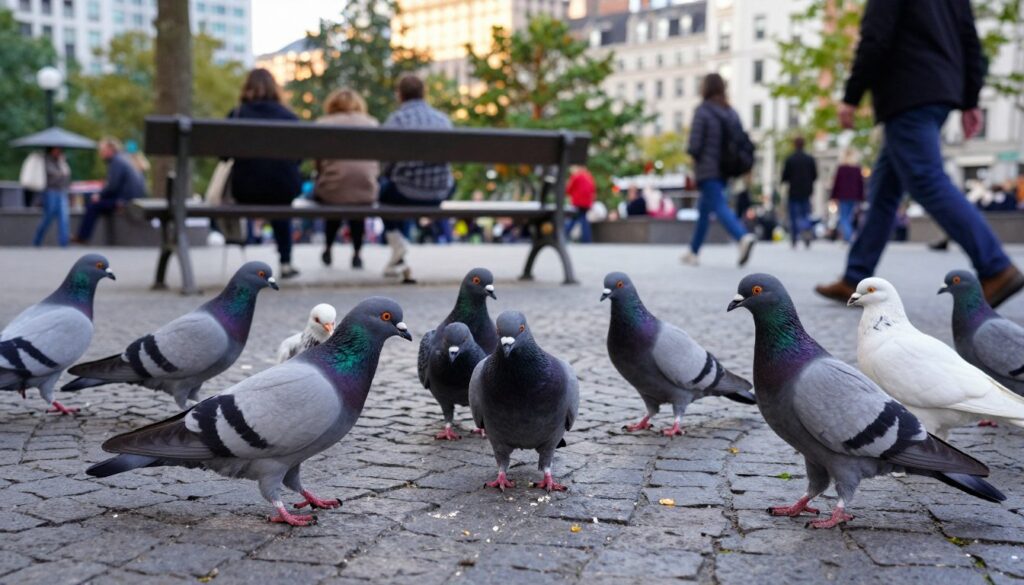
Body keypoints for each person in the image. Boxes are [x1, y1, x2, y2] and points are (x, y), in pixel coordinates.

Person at [816, 0, 1023, 308]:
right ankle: (855, 276)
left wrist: (851, 95)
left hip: (907, 91)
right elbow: (970, 40)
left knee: (926, 180)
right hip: (939, 91)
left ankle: (996, 267)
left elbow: (875, 37)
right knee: (885, 190)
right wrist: (970, 98)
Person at [378, 74, 455, 283]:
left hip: (405, 192)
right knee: (392, 187)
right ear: (424, 93)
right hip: (439, 191)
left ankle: (397, 242)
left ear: (400, 95)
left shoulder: (396, 120)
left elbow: (385, 164)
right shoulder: (443, 120)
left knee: (384, 191)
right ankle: (398, 252)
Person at [229, 68, 303, 279]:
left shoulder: (237, 114)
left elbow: (223, 156)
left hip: (245, 189)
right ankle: (286, 261)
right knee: (280, 199)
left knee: (270, 188)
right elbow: (298, 158)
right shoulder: (289, 117)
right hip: (283, 189)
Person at [683, 73, 756, 267]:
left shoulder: (703, 111)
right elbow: (741, 140)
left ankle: (742, 237)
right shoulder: (731, 111)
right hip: (725, 169)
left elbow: (695, 145)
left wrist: (691, 152)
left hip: (707, 169)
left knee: (718, 205)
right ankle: (693, 252)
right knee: (704, 210)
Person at [314, 88, 379, 270]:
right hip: (365, 189)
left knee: (334, 194)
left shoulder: (323, 124)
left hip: (333, 190)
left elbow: (318, 164)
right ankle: (357, 254)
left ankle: (328, 246)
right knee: (356, 203)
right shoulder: (372, 124)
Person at [73, 138, 146, 244]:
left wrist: (100, 196)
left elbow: (113, 186)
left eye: (102, 150)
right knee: (96, 202)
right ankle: (83, 236)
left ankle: (82, 237)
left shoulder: (116, 162)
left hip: (124, 200)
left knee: (92, 205)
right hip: (128, 198)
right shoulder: (122, 159)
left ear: (110, 150)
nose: (100, 153)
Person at [780, 136, 818, 248]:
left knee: (794, 215)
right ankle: (806, 230)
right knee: (805, 213)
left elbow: (785, 176)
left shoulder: (790, 159)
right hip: (806, 191)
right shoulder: (809, 159)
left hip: (793, 191)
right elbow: (815, 175)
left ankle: (794, 237)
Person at [32, 147, 71, 247]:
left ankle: (64, 243)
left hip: (61, 191)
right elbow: (53, 175)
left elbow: (66, 176)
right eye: (56, 149)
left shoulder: (61, 161)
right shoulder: (45, 160)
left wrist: (63, 165)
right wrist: (61, 173)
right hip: (50, 192)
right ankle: (37, 241)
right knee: (48, 217)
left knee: (64, 218)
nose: (58, 152)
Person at [831, 149, 865, 242]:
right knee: (849, 217)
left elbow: (837, 183)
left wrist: (833, 196)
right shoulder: (857, 168)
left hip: (843, 196)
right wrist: (861, 197)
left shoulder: (841, 168)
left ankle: (848, 237)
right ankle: (848, 236)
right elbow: (860, 184)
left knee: (843, 217)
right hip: (853, 196)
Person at [564, 165, 596, 243]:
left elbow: (568, 189)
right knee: (581, 219)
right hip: (587, 203)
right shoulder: (589, 176)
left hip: (578, 202)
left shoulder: (576, 176)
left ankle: (563, 235)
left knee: (575, 219)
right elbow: (593, 189)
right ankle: (586, 240)